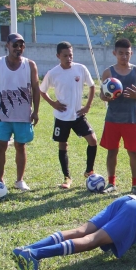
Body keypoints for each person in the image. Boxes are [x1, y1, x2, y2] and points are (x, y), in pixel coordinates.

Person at [0, 33, 40, 191]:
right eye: (15, 45)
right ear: (7, 45)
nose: (18, 48)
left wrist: (36, 111)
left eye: (21, 45)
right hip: (2, 114)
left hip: (23, 114)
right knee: (0, 146)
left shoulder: (30, 65)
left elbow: (36, 89)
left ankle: (19, 180)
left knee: (20, 146)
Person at [40, 41, 98, 189]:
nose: (68, 58)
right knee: (63, 145)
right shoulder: (53, 73)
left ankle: (89, 170)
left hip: (78, 115)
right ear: (58, 56)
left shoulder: (81, 69)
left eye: (70, 55)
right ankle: (67, 178)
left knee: (93, 140)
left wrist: (87, 106)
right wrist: (53, 103)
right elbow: (42, 90)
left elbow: (92, 86)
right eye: (65, 55)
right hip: (62, 117)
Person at [99, 38, 136, 195]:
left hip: (131, 119)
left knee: (133, 152)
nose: (124, 57)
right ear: (115, 53)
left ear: (131, 53)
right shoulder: (108, 72)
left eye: (127, 53)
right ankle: (111, 183)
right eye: (121, 53)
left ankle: (135, 186)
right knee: (112, 151)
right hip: (112, 118)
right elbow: (102, 94)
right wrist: (106, 97)